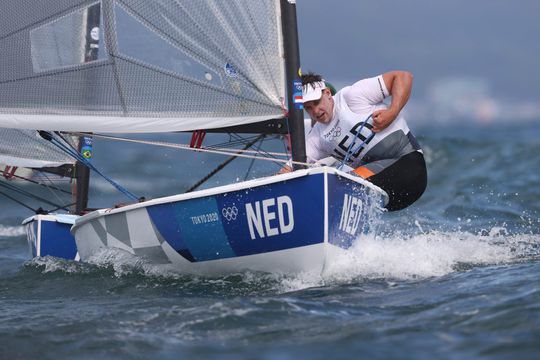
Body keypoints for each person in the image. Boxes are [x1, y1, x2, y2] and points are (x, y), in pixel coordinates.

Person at [299, 71, 427, 211]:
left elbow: (403, 77)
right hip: (389, 196)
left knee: (344, 184)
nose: (316, 111)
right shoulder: (316, 137)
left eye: (317, 102)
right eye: (308, 108)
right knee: (332, 191)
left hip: (409, 167)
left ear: (328, 93)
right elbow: (293, 166)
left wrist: (392, 112)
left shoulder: (353, 96)